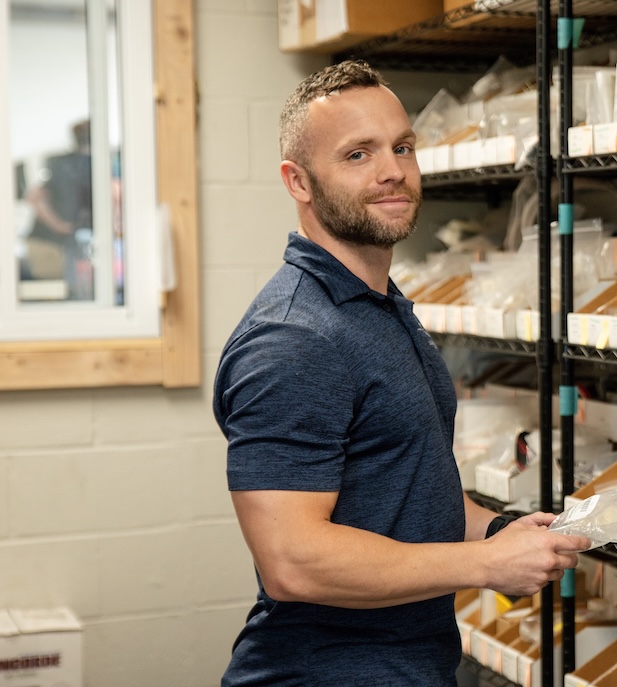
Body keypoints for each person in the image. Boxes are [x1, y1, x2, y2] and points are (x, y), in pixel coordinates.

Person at [212, 60, 590, 686]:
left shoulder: (380, 306)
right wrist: (485, 565)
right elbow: (293, 561)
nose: (392, 170)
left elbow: (404, 484)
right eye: (358, 154)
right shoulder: (294, 338)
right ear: (298, 182)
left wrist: (495, 532)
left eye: (402, 147)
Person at [23, 119, 93, 299]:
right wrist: (59, 225)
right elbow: (33, 197)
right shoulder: (61, 163)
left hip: (76, 241)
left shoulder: (94, 164)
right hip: (50, 244)